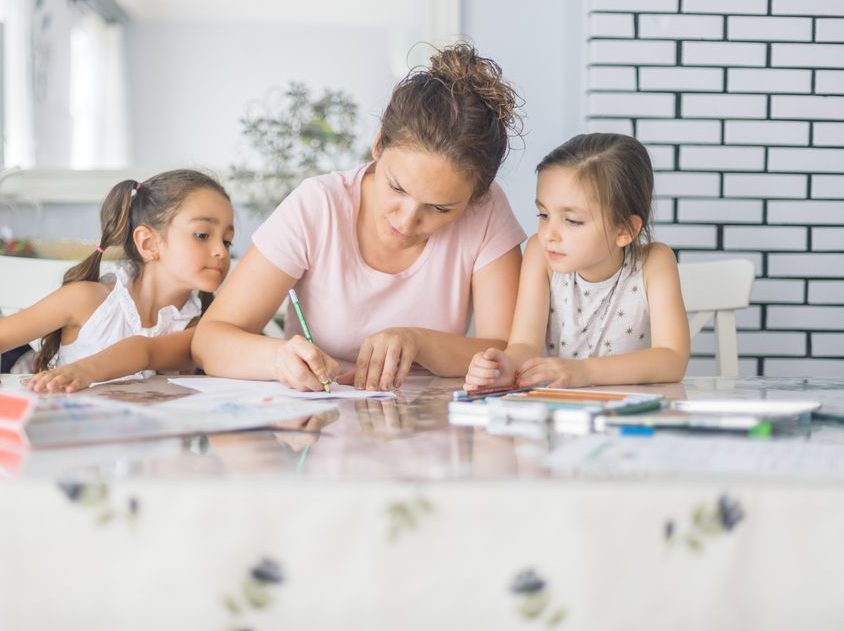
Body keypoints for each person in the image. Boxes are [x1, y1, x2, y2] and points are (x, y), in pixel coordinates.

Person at [193, 42, 526, 392]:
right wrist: (278, 359)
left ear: (475, 196)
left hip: (432, 428)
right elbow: (209, 342)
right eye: (397, 188)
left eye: (439, 209)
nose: (407, 220)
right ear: (379, 144)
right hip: (321, 425)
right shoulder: (318, 205)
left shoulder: (487, 210)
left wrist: (418, 342)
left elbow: (504, 350)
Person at [0, 169, 234, 393]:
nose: (221, 251)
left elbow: (145, 352)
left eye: (228, 241)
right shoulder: (88, 300)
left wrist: (86, 371)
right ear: (149, 243)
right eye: (203, 235)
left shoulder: (202, 324)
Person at [465, 133, 690, 390]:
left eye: (572, 221)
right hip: (562, 414)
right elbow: (525, 344)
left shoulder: (654, 263)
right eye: (544, 214)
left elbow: (672, 359)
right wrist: (505, 365)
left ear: (625, 230)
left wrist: (585, 371)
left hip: (625, 415)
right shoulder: (540, 253)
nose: (549, 234)